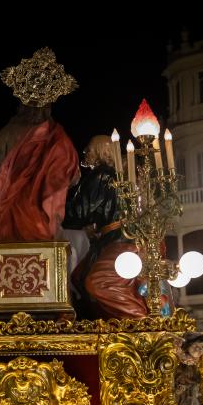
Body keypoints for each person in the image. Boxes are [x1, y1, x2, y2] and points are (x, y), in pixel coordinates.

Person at [0, 47, 80, 242]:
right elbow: (73, 177)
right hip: (44, 217)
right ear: (49, 105)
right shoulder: (58, 137)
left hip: (11, 213)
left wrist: (13, 188)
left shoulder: (7, 132)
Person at [63, 135, 148, 319]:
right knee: (79, 276)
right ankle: (109, 320)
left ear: (101, 151)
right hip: (113, 238)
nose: (85, 154)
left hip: (119, 240)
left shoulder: (100, 175)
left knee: (98, 282)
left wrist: (52, 208)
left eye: (89, 150)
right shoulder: (117, 177)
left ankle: (139, 321)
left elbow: (80, 210)